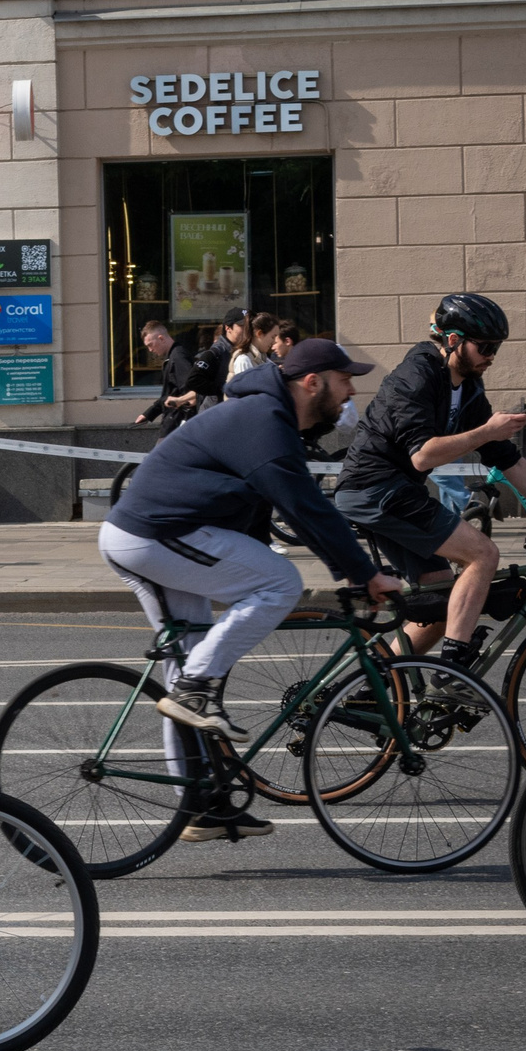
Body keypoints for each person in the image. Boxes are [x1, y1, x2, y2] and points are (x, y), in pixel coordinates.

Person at [101, 342, 400, 838]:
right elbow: (304, 506)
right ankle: (198, 691)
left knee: (188, 663)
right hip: (151, 536)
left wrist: (352, 568)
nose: (351, 391)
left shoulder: (269, 417)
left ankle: (202, 804)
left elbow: (269, 515)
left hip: (161, 535)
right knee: (279, 582)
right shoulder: (263, 418)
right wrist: (363, 573)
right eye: (344, 380)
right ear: (312, 383)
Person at [335, 295, 526, 666]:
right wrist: (486, 431)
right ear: (453, 340)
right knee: (483, 553)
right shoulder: (416, 376)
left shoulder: (468, 389)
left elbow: (508, 460)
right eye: (485, 346)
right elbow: (422, 454)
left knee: (441, 606)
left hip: (396, 491)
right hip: (374, 488)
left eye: (496, 347)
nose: (492, 355)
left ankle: (369, 685)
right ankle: (454, 666)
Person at [133, 320, 206, 435]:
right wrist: (149, 413)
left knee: (162, 452)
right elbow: (170, 394)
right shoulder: (173, 356)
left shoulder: (178, 358)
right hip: (175, 423)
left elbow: (192, 391)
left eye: (150, 345)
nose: (150, 350)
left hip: (177, 424)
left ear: (161, 338)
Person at [194, 307, 249, 411]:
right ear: (228, 328)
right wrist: (222, 388)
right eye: (242, 326)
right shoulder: (218, 351)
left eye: (248, 326)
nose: (246, 330)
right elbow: (194, 381)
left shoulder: (240, 350)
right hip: (215, 414)